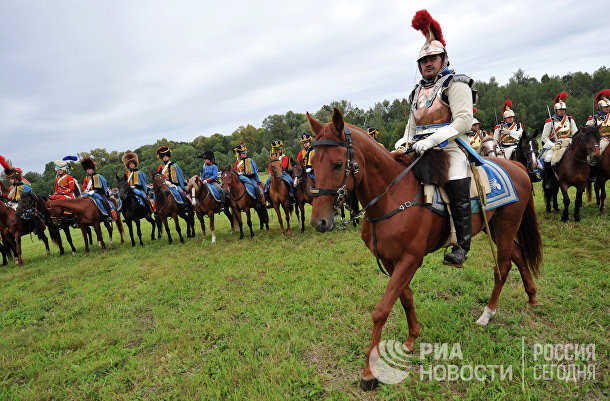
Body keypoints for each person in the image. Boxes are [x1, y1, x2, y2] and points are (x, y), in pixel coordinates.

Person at [394, 10, 476, 267]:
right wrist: (403, 141)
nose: (428, 63)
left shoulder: (456, 83)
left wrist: (432, 140)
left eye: (433, 58)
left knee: (455, 179)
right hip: (419, 149)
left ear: (443, 59)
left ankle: (461, 246)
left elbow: (463, 120)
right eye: (424, 60)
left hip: (450, 147)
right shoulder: (417, 91)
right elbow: (412, 124)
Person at [541, 92, 579, 187]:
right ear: (556, 110)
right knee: (548, 159)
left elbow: (575, 134)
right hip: (555, 145)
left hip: (568, 143)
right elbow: (544, 137)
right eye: (560, 109)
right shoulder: (550, 121)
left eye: (563, 109)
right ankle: (549, 180)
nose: (562, 111)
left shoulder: (570, 120)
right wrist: (552, 146)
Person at [81, 157, 117, 222]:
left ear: (93, 169)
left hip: (98, 193)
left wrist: (89, 193)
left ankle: (109, 215)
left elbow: (97, 188)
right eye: (87, 169)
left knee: (104, 202)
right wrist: (84, 192)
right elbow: (84, 187)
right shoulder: (85, 178)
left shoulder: (98, 176)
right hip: (88, 194)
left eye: (89, 169)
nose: (88, 170)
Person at [586, 89, 610, 154]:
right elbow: (588, 131)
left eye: (608, 106)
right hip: (600, 140)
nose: (608, 108)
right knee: (599, 152)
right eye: (605, 107)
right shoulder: (594, 118)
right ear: (600, 107)